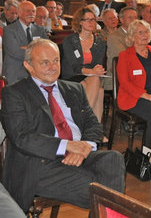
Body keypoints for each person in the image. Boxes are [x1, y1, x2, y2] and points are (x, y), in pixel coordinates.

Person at [0, 39, 125, 212]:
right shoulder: (14, 93)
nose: (52, 66)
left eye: (56, 60)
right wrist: (67, 146)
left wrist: (83, 148)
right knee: (103, 189)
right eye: (45, 62)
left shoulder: (74, 89)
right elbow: (22, 137)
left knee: (113, 159)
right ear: (28, 65)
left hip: (79, 155)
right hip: (40, 164)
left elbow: (93, 125)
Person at [116, 20, 151, 147]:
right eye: (140, 32)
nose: (145, 35)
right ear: (132, 36)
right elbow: (125, 83)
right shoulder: (124, 56)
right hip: (133, 98)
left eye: (147, 32)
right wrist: (146, 96)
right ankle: (148, 154)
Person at [60, 7, 107, 123]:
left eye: (93, 19)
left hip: (90, 77)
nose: (91, 23)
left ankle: (86, 125)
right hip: (72, 76)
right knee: (98, 90)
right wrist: (92, 71)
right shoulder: (69, 40)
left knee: (99, 87)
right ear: (80, 22)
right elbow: (74, 67)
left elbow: (98, 63)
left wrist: (98, 69)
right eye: (87, 20)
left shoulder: (100, 42)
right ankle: (90, 126)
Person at [3, 0, 48, 85]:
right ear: (19, 13)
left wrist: (26, 48)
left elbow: (47, 49)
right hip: (16, 72)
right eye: (28, 11)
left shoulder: (40, 30)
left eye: (33, 11)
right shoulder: (9, 30)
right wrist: (36, 50)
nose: (31, 13)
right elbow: (15, 52)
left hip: (37, 72)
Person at [105, 7, 139, 91]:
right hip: (117, 80)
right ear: (122, 20)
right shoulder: (114, 37)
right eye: (130, 17)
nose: (134, 20)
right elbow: (125, 58)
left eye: (135, 17)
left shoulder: (140, 35)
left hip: (136, 75)